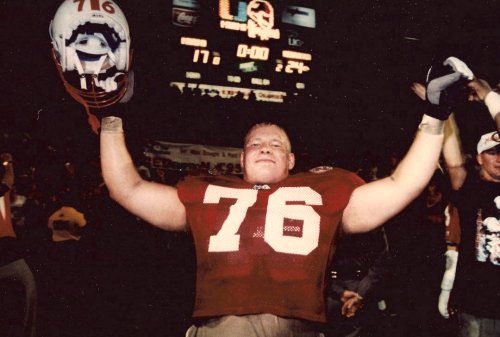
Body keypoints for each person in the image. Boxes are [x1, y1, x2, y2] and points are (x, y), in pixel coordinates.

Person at [98, 53, 470, 336]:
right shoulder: (209, 191)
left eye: (275, 144)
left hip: (300, 327)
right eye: (255, 144)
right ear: (241, 158)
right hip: (224, 326)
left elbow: (402, 184)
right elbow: (126, 189)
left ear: (291, 159)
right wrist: (111, 118)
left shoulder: (323, 189)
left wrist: (434, 117)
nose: (264, 148)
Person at [324, 226, 389, 337]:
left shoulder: (372, 221)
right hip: (332, 291)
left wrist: (360, 294)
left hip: (361, 289)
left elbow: (381, 261)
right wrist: (340, 292)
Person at [0, 153, 37, 337]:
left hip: (9, 256)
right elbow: (8, 180)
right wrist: (9, 163)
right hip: (9, 258)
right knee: (26, 307)